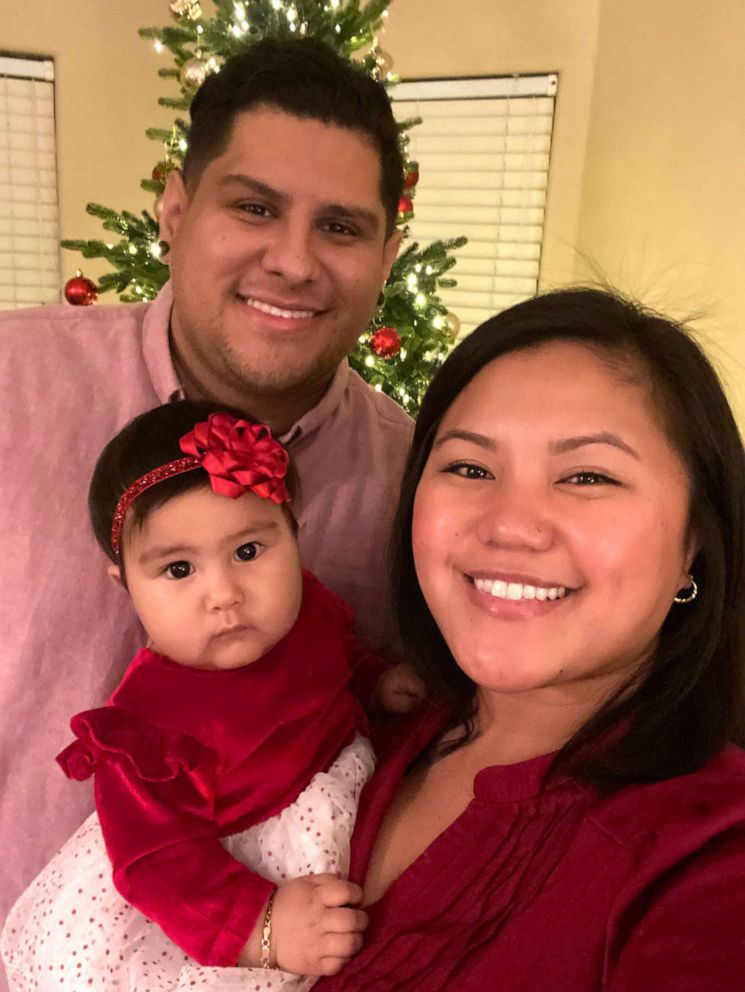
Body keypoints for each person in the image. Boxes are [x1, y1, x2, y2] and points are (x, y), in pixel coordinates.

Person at [0, 37, 411, 942]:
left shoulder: (419, 487)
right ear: (176, 210)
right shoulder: (9, 386)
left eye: (340, 227)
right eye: (254, 206)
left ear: (389, 253)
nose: (294, 262)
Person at [310, 287, 745, 991]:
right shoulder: (356, 738)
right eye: (469, 468)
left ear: (694, 540)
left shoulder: (709, 855)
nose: (509, 525)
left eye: (586, 476)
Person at [1, 401, 423, 992]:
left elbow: (333, 654)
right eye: (178, 570)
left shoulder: (303, 610)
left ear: (294, 535)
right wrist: (263, 928)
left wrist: (375, 679)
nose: (224, 594)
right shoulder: (145, 725)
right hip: (220, 894)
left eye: (249, 552)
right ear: (126, 584)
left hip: (329, 813)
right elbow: (156, 860)